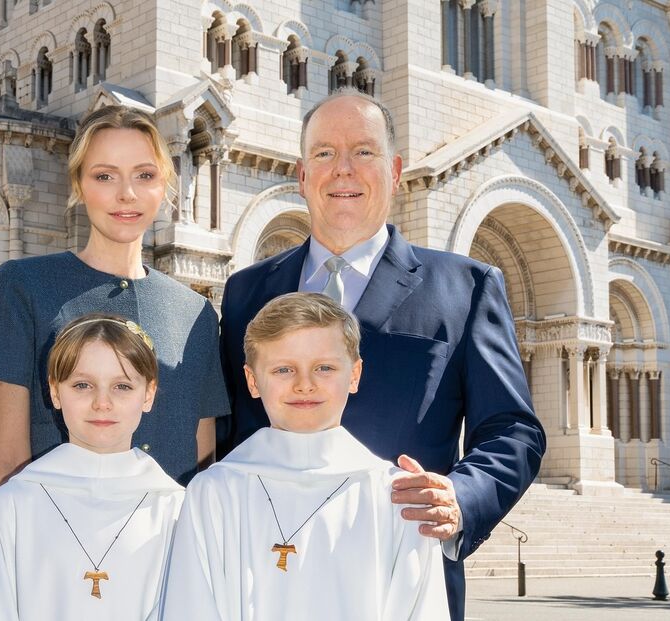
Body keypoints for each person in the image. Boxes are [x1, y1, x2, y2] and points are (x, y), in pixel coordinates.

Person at [219, 89, 546, 620]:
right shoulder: (246, 292)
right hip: (263, 573)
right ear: (302, 175)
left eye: (363, 152)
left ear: (394, 171)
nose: (343, 169)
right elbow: (229, 425)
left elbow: (514, 430)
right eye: (324, 153)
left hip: (400, 570)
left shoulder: (467, 287)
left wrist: (461, 496)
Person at [0, 105, 229, 490]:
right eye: (105, 176)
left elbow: (203, 468)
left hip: (171, 545)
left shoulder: (196, 314)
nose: (127, 194)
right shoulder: (20, 288)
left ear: (164, 187)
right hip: (60, 540)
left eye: (145, 175)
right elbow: (6, 464)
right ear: (79, 185)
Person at [164, 293, 449, 620]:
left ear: (354, 375)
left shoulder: (396, 495)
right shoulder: (214, 492)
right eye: (284, 369)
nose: (304, 385)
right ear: (253, 381)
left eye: (324, 367)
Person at [0, 314, 183, 620]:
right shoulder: (10, 507)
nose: (102, 403)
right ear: (55, 391)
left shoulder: (177, 510)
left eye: (122, 386)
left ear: (147, 394)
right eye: (83, 385)